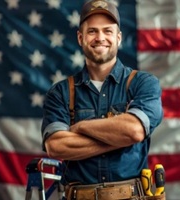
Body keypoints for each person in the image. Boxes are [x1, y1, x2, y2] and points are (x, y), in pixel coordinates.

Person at [41, 0, 164, 199]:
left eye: (107, 31)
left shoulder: (143, 83)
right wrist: (119, 136)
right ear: (80, 38)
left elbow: (133, 130)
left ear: (118, 37)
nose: (100, 38)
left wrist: (80, 127)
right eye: (92, 32)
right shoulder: (60, 93)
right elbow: (56, 146)